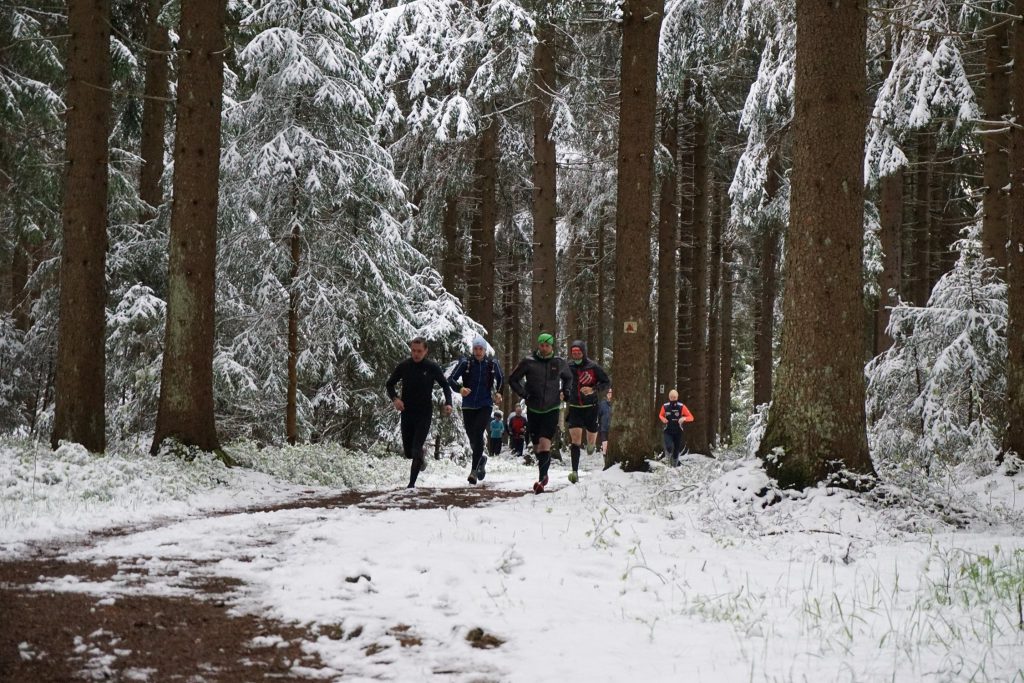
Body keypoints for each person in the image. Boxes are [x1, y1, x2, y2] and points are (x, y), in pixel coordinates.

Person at [385, 337, 453, 488]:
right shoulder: (404, 366)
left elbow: (445, 385)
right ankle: (420, 456)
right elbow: (389, 384)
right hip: (407, 412)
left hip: (424, 413)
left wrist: (449, 403)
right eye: (413, 351)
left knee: (416, 449)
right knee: (409, 452)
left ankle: (411, 485)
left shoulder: (432, 367)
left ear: (426, 351)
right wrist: (395, 399)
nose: (416, 354)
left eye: (419, 351)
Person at [508, 332, 571, 493]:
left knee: (545, 443)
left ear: (552, 346)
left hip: (552, 408)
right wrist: (524, 394)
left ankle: (543, 478)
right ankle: (543, 470)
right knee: (537, 446)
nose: (544, 348)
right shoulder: (529, 362)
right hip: (534, 408)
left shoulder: (559, 362)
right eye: (541, 345)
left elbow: (568, 378)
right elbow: (513, 379)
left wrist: (566, 391)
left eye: (547, 345)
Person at [447, 335, 503, 484]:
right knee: (472, 437)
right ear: (472, 350)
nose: (478, 352)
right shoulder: (466, 363)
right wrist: (461, 389)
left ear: (485, 350)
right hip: (468, 405)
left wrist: (499, 393)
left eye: (481, 349)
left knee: (478, 432)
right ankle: (481, 459)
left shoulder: (492, 364)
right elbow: (451, 379)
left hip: (485, 404)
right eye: (475, 349)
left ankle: (473, 471)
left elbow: (502, 379)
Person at [564, 340, 611, 484]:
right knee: (575, 441)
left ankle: (591, 446)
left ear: (583, 352)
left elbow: (606, 382)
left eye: (578, 352)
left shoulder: (593, 367)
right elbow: (562, 381)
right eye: (574, 353)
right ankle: (574, 472)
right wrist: (562, 392)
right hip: (575, 408)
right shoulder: (568, 366)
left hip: (591, 407)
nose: (576, 355)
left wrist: (593, 389)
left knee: (590, 441)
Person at [659, 389, 694, 467]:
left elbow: (691, 417)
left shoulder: (681, 406)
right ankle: (667, 461)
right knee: (669, 447)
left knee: (676, 451)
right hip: (668, 430)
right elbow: (660, 415)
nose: (673, 399)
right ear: (669, 397)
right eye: (671, 397)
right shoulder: (665, 406)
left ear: (677, 397)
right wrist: (663, 419)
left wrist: (684, 418)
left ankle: (674, 466)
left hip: (678, 431)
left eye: (674, 397)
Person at [597, 388, 612, 453]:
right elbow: (599, 415)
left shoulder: (616, 403)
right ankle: (605, 456)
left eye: (611, 392)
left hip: (612, 429)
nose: (610, 394)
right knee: (605, 445)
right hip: (604, 428)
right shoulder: (602, 404)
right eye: (608, 393)